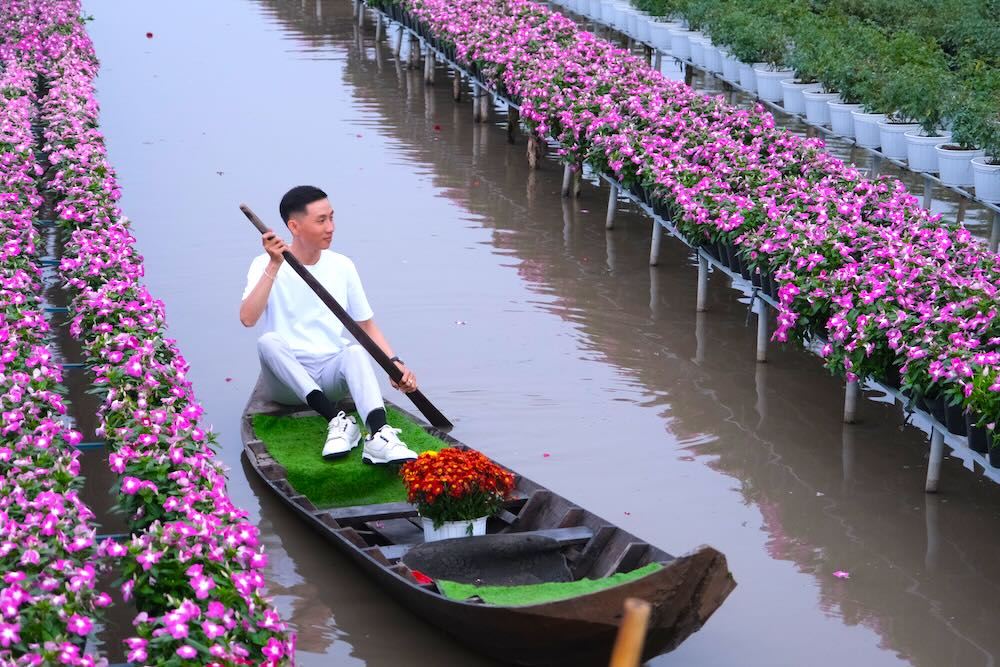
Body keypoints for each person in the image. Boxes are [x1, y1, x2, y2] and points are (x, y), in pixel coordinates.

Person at [240, 185, 419, 464]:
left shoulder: (342, 265)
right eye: (321, 220)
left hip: (330, 377)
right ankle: (338, 420)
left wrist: (394, 364)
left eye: (332, 218)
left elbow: (366, 325)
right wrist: (274, 264)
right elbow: (248, 319)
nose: (330, 228)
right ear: (294, 226)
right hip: (286, 383)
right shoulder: (263, 263)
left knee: (354, 352)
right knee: (268, 342)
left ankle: (379, 435)